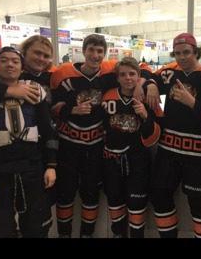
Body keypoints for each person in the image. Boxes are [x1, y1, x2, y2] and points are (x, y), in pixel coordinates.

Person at [50, 33, 159, 238]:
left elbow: (140, 68)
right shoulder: (63, 72)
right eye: (91, 50)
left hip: (95, 145)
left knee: (91, 195)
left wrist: (147, 83)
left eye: (100, 51)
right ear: (83, 51)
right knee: (65, 195)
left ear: (105, 54)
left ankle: (87, 235)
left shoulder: (109, 70)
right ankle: (64, 235)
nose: (95, 55)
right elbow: (53, 108)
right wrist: (71, 111)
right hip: (69, 145)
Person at [149, 32, 201, 238]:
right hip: (169, 150)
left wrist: (193, 103)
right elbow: (144, 72)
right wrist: (150, 83)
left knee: (199, 202)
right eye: (177, 53)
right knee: (159, 194)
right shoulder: (168, 72)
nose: (182, 57)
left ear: (196, 52)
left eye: (186, 52)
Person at [0, 34, 56, 237]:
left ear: (22, 68)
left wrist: (51, 166)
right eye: (3, 61)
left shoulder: (36, 90)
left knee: (37, 227)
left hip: (32, 170)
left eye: (14, 61)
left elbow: (48, 131)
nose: (9, 65)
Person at [101, 57, 162, 238]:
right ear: (117, 78)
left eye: (132, 74)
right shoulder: (107, 96)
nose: (128, 78)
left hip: (138, 160)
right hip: (111, 159)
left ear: (138, 76)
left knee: (137, 204)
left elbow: (155, 138)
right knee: (114, 200)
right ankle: (118, 234)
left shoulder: (149, 99)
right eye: (123, 75)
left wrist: (145, 117)